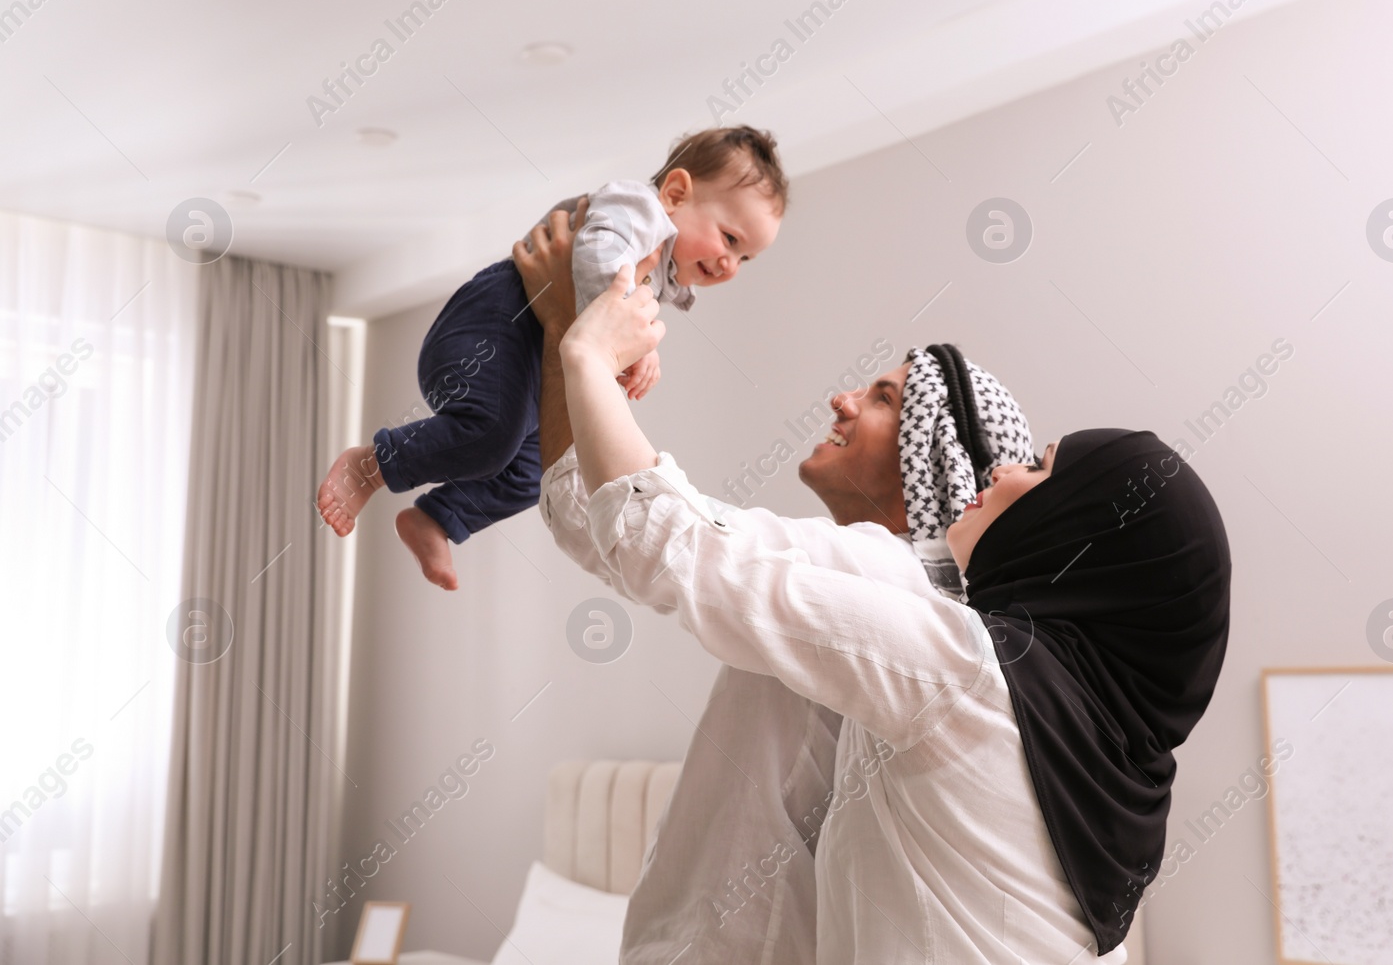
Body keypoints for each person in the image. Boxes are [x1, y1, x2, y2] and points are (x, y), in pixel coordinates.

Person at [517, 229, 1233, 961]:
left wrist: (580, 349)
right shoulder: (1091, 760)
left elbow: (655, 537)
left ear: (934, 455)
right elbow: (619, 520)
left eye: (885, 396)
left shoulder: (939, 637)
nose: (843, 397)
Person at [314, 125, 787, 590]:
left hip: (530, 363)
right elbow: (596, 254)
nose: (730, 264)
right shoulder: (638, 210)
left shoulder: (665, 271)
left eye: (745, 258)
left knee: (533, 473)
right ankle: (372, 465)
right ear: (677, 193)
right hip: (497, 322)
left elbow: (605, 321)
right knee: (491, 435)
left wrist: (629, 345)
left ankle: (438, 518)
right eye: (729, 238)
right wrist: (626, 342)